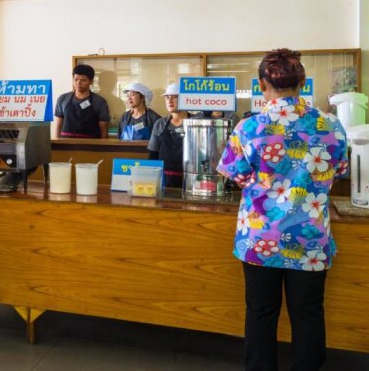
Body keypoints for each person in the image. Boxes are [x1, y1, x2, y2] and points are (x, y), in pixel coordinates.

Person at [216, 48, 348, 371]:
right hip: (310, 239)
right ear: (302, 82)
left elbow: (236, 175)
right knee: (308, 314)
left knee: (261, 313)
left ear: (262, 85)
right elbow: (340, 170)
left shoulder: (248, 128)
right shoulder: (331, 126)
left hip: (260, 238)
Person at [147, 83, 187, 188]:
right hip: (164, 180)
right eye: (167, 97)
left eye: (175, 97)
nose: (170, 100)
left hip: (189, 180)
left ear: (186, 99)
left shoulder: (195, 123)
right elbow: (153, 154)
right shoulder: (160, 124)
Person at [54, 64, 110, 139]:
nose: (78, 83)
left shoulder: (99, 102)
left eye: (83, 80)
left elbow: (104, 131)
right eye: (76, 79)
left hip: (91, 144)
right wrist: (56, 143)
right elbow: (58, 126)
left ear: (91, 81)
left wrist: (103, 145)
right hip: (66, 143)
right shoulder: (63, 99)